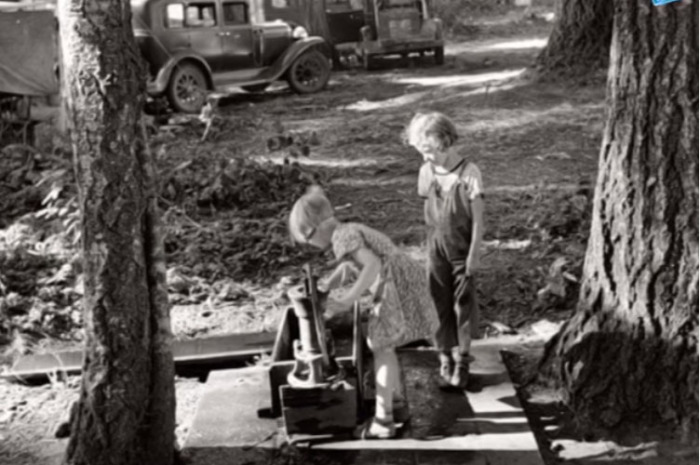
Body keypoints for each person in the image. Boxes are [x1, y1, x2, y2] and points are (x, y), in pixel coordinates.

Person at [288, 186, 439, 439]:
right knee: (384, 345)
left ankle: (384, 420)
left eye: (309, 238)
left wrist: (347, 300)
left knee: (380, 346)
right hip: (403, 279)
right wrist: (327, 286)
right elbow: (350, 268)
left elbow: (372, 264)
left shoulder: (342, 236)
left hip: (395, 285)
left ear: (318, 226)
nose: (311, 245)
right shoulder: (347, 230)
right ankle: (395, 400)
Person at [404, 111, 484, 389]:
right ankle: (444, 357)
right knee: (437, 305)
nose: (426, 158)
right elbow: (430, 209)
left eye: (431, 151)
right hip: (435, 251)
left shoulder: (469, 174)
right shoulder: (426, 172)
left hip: (462, 251)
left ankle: (462, 360)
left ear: (446, 142)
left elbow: (479, 221)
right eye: (421, 152)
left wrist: (474, 255)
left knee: (462, 307)